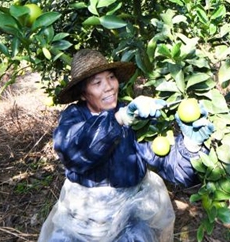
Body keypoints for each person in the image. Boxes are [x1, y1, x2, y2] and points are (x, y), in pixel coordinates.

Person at [38, 48, 215, 242]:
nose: (109, 87)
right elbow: (75, 152)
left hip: (131, 217)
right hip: (83, 219)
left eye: (111, 78)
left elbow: (169, 163)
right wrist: (118, 120)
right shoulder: (74, 117)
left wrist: (190, 145)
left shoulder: (134, 116)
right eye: (97, 82)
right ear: (82, 94)